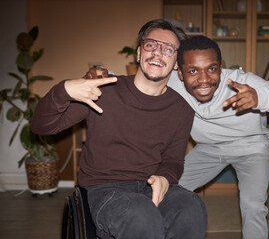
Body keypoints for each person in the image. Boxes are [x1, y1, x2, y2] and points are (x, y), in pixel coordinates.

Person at [93, 35, 269, 239]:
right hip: (209, 149)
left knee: (253, 205)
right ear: (179, 72)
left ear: (221, 66)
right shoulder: (172, 82)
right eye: (193, 71)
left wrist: (260, 96)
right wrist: (102, 72)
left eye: (212, 69)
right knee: (162, 189)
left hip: (251, 148)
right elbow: (133, 83)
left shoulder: (240, 81)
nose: (204, 79)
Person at [31, 19, 207, 239]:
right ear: (138, 53)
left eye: (168, 49)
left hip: (150, 186)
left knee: (191, 208)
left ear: (175, 63)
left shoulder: (181, 109)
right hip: (105, 188)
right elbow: (41, 126)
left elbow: (173, 160)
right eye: (151, 45)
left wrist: (164, 177)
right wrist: (64, 90)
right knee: (141, 215)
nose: (157, 53)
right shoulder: (104, 90)